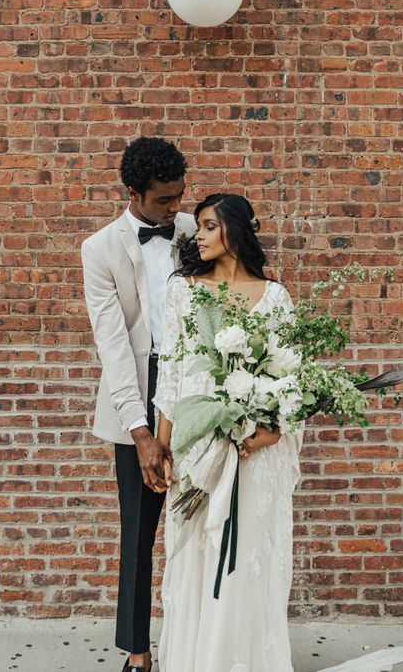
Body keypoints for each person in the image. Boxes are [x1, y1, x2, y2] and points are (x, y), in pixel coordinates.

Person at [153, 193, 304, 671]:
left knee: (249, 553)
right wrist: (164, 443)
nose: (198, 235)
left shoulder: (275, 297)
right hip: (199, 446)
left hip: (256, 452)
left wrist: (273, 432)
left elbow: (292, 378)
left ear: (235, 230)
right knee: (200, 551)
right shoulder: (184, 291)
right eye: (198, 226)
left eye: (208, 225)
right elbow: (172, 374)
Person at [80, 136, 197, 672]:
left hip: (196, 380)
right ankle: (137, 650)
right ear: (133, 193)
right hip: (136, 384)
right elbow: (112, 345)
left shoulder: (196, 231)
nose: (176, 209)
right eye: (164, 201)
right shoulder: (99, 249)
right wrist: (141, 430)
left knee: (202, 514)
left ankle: (199, 640)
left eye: (179, 197)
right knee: (139, 527)